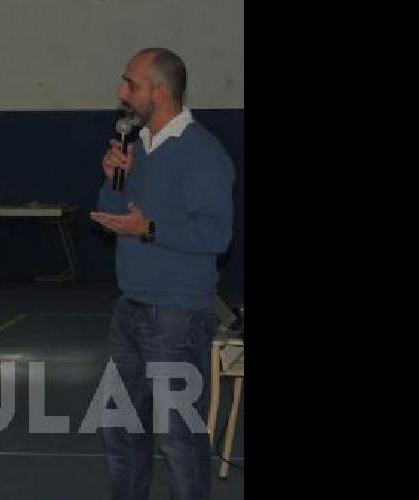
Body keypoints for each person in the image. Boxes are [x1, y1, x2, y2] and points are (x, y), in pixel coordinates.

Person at [90, 48, 234, 500]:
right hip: (130, 309)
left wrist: (148, 229)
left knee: (178, 438)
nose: (121, 93)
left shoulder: (203, 154)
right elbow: (116, 218)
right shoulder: (141, 149)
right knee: (120, 428)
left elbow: (216, 235)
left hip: (176, 316)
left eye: (130, 84)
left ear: (160, 91)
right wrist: (113, 179)